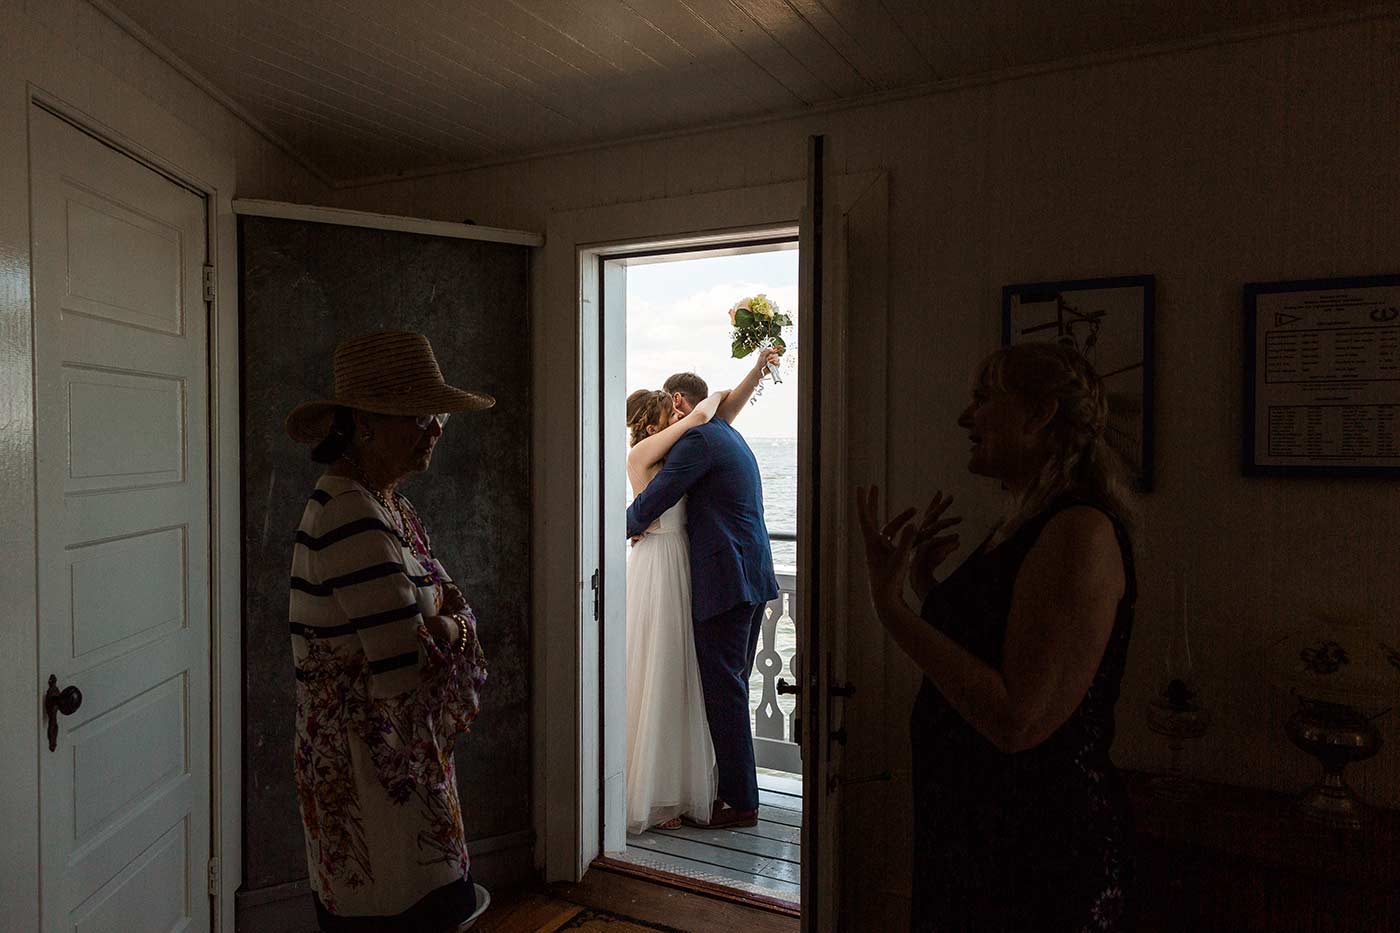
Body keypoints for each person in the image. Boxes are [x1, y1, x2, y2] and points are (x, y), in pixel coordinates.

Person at [855, 341, 1137, 932]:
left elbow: (1018, 719)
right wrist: (928, 586)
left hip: (1034, 855)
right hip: (981, 835)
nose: (965, 417)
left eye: (983, 399)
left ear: (1038, 416)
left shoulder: (1078, 531)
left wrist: (892, 608)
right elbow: (998, 646)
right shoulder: (1025, 521)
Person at [285, 331, 493, 932]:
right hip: (372, 774)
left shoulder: (385, 503)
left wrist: (446, 624)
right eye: (419, 415)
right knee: (396, 916)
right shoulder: (349, 510)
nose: (437, 429)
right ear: (365, 426)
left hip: (392, 760)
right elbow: (408, 661)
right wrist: (455, 625)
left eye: (437, 415)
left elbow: (434, 625)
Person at [625, 350, 782, 830]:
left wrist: (627, 525)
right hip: (752, 577)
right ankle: (723, 787)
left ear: (678, 403)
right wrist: (754, 371)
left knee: (724, 689)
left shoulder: (698, 442)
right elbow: (725, 407)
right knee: (728, 684)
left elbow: (650, 504)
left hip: (726, 581)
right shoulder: (726, 434)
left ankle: (740, 802)